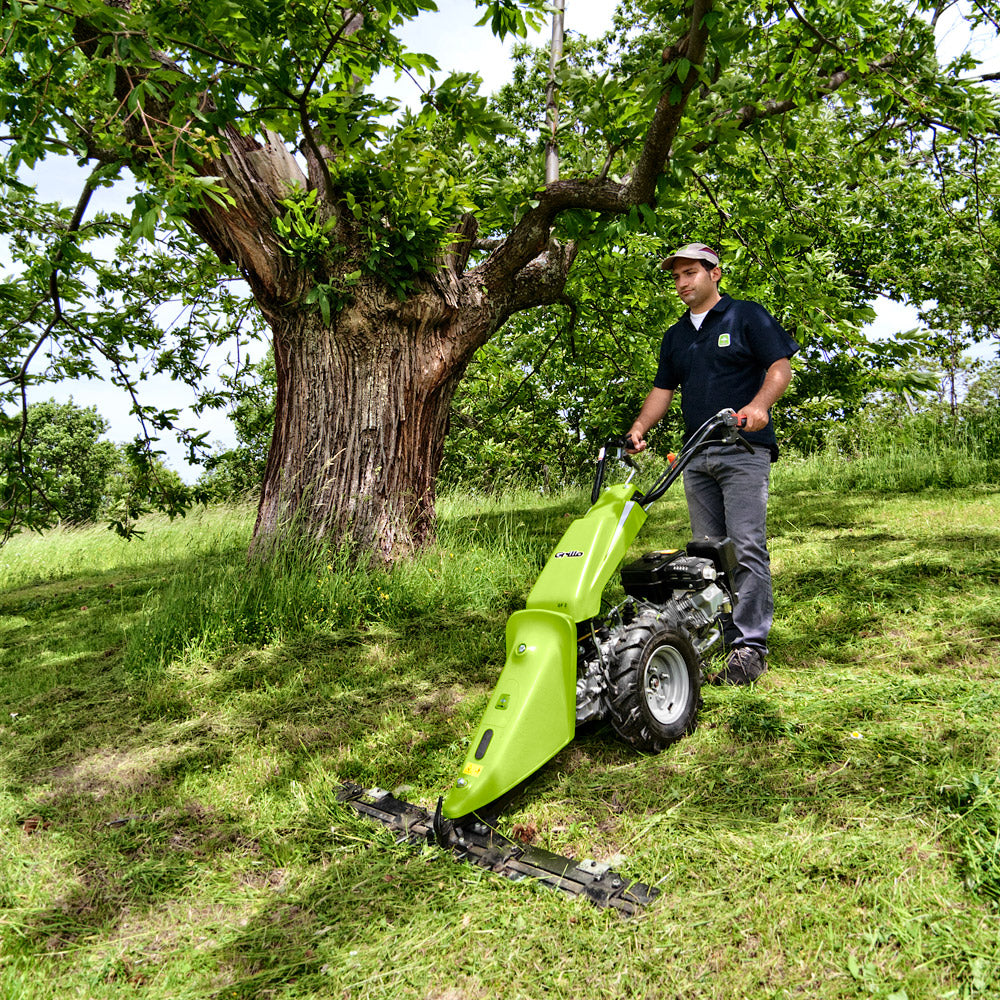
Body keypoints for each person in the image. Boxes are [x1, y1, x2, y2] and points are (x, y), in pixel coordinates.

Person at [628, 242, 799, 685]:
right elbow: (663, 391)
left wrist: (760, 406)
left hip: (743, 449)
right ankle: (721, 634)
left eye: (690, 273)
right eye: (677, 276)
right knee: (707, 552)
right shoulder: (676, 336)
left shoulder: (747, 316)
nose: (682, 283)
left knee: (744, 546)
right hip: (695, 454)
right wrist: (639, 428)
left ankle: (750, 646)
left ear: (714, 273)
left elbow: (779, 368)